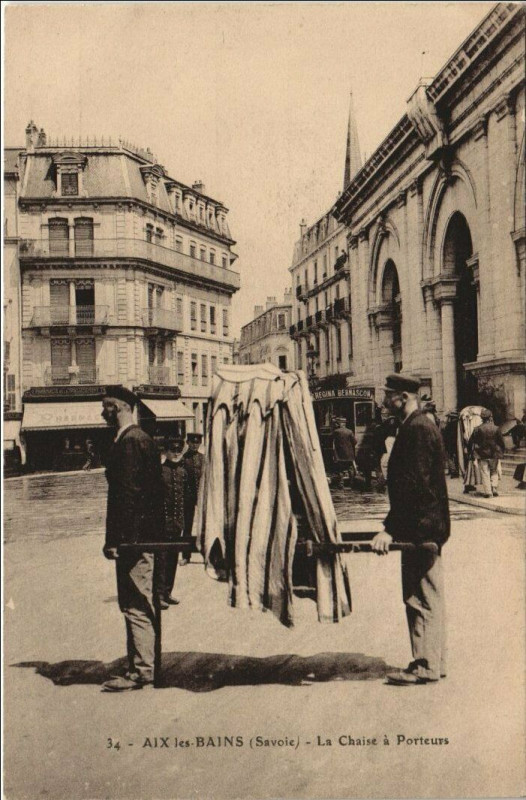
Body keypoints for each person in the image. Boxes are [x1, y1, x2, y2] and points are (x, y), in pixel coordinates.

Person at [371, 373, 450, 686]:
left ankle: (425, 665)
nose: (384, 401)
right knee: (429, 595)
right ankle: (434, 661)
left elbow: (413, 487)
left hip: (420, 527)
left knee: (419, 597)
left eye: (388, 395)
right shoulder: (418, 425)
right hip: (426, 524)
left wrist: (389, 529)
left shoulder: (416, 429)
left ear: (402, 397)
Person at [100, 386, 165, 692]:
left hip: (134, 539)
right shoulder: (140, 439)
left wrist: (117, 540)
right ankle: (142, 665)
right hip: (143, 536)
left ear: (124, 407)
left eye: (108, 406)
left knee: (135, 602)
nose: (104, 412)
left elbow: (126, 497)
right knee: (139, 600)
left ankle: (142, 670)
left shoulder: (129, 442)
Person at [157, 437, 187, 609]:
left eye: (178, 450)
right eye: (172, 450)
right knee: (161, 559)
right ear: (166, 452)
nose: (176, 453)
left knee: (173, 558)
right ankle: (159, 594)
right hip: (163, 523)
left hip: (177, 523)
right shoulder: (160, 471)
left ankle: (167, 592)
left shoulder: (183, 472)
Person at [468, 408, 505, 498]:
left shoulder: (477, 429)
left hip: (482, 454)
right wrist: (501, 451)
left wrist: (471, 452)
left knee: (485, 472)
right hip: (494, 454)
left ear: (482, 418)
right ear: (490, 418)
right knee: (494, 471)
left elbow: (471, 442)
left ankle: (488, 492)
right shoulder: (496, 428)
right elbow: (501, 442)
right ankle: (494, 488)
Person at [181, 432, 204, 565]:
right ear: (188, 443)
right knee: (187, 527)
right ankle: (186, 556)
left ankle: (209, 556)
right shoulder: (183, 459)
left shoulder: (204, 459)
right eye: (192, 442)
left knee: (205, 525)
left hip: (201, 496)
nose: (195, 445)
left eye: (197, 443)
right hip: (188, 497)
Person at [331, 417, 357, 488]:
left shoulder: (336, 432)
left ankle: (341, 484)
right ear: (345, 423)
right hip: (349, 454)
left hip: (340, 454)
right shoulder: (349, 431)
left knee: (340, 469)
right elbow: (355, 442)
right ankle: (351, 483)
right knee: (350, 468)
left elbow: (332, 441)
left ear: (339, 423)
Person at [441, 411, 460, 478]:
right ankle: (458, 470)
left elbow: (445, 436)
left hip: (450, 444)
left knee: (450, 458)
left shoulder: (449, 425)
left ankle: (453, 471)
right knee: (458, 457)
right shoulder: (459, 425)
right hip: (457, 444)